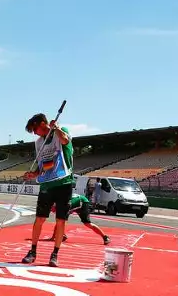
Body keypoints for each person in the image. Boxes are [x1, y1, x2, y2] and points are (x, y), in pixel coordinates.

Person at [20, 112, 75, 267]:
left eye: (34, 129)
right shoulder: (39, 143)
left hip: (64, 182)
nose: (34, 133)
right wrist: (33, 174)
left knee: (60, 220)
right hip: (46, 184)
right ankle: (33, 251)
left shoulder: (61, 131)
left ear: (42, 124)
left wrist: (56, 128)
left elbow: (65, 141)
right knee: (40, 218)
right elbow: (41, 165)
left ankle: (55, 254)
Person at [43, 193, 111, 245]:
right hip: (77, 202)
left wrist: (52, 237)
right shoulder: (59, 203)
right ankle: (63, 235)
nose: (52, 211)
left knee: (87, 224)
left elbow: (59, 223)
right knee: (61, 221)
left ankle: (105, 237)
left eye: (52, 210)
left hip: (83, 203)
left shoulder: (64, 207)